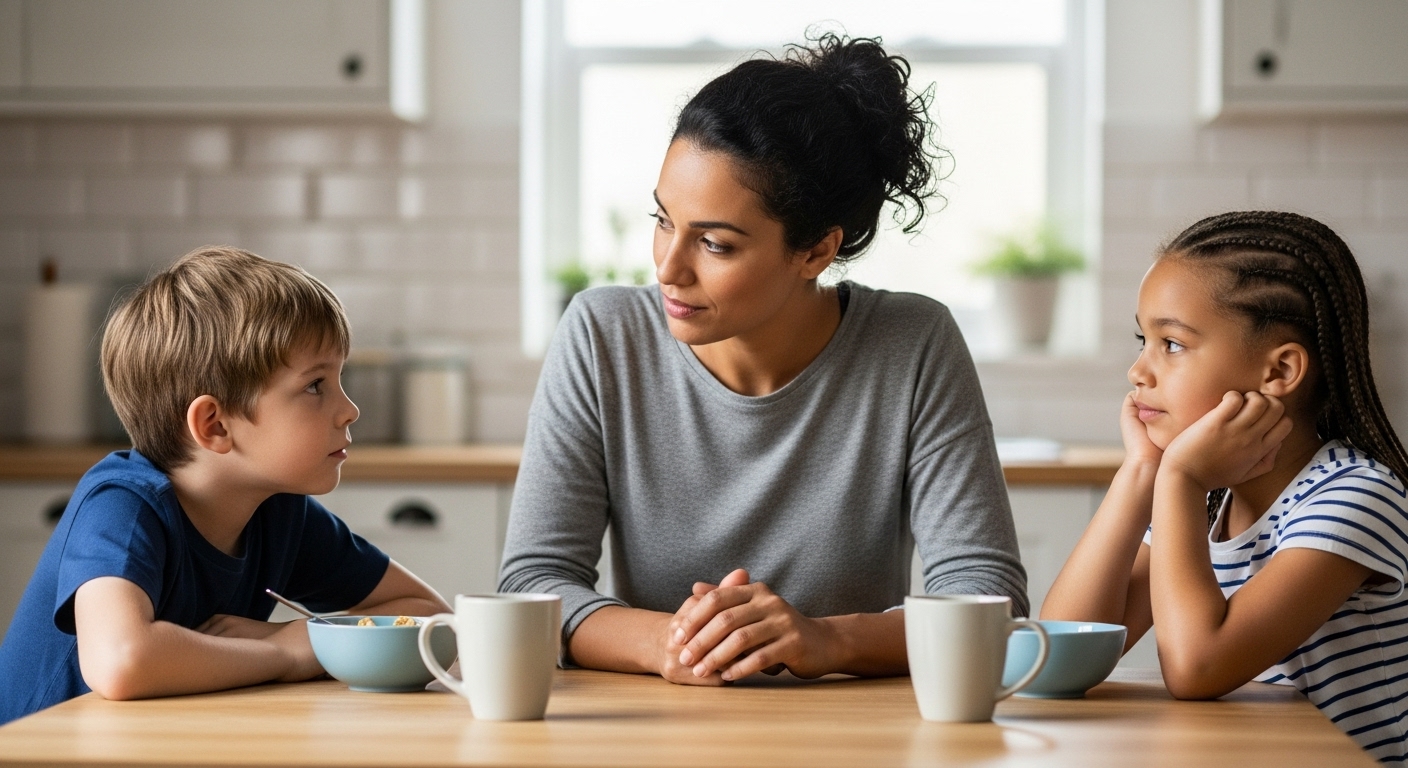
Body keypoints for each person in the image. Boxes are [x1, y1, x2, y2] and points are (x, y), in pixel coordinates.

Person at [498, 34, 1027, 685]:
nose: (667, 267)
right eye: (662, 219)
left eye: (714, 244)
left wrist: (828, 641)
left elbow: (986, 599)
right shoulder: (602, 335)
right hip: (658, 730)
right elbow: (533, 582)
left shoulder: (912, 344)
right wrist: (668, 644)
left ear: (815, 251)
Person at [0, 247, 450, 725]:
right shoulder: (122, 507)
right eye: (316, 385)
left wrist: (306, 633)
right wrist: (288, 653)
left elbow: (428, 616)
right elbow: (121, 661)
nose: (349, 409)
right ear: (214, 425)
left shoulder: (279, 512)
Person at [1041, 211, 1408, 762]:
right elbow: (1057, 657)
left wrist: (1179, 478)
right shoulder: (1208, 506)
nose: (1138, 370)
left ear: (1279, 372)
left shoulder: (1356, 497)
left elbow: (1197, 667)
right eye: (1144, 338)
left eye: (1173, 343)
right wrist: (1140, 471)